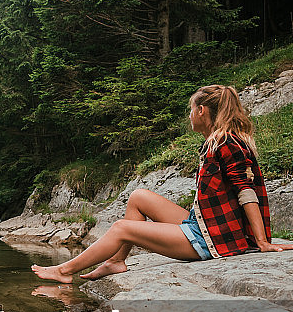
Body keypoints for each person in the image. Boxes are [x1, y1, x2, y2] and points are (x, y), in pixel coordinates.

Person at [32, 84, 293, 284]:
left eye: (191, 110)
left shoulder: (226, 142)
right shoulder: (219, 140)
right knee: (138, 197)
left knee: (122, 228)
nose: (189, 115)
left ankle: (64, 270)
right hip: (204, 224)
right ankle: (115, 261)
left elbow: (246, 191)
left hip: (212, 240)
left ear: (201, 111)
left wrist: (261, 241)